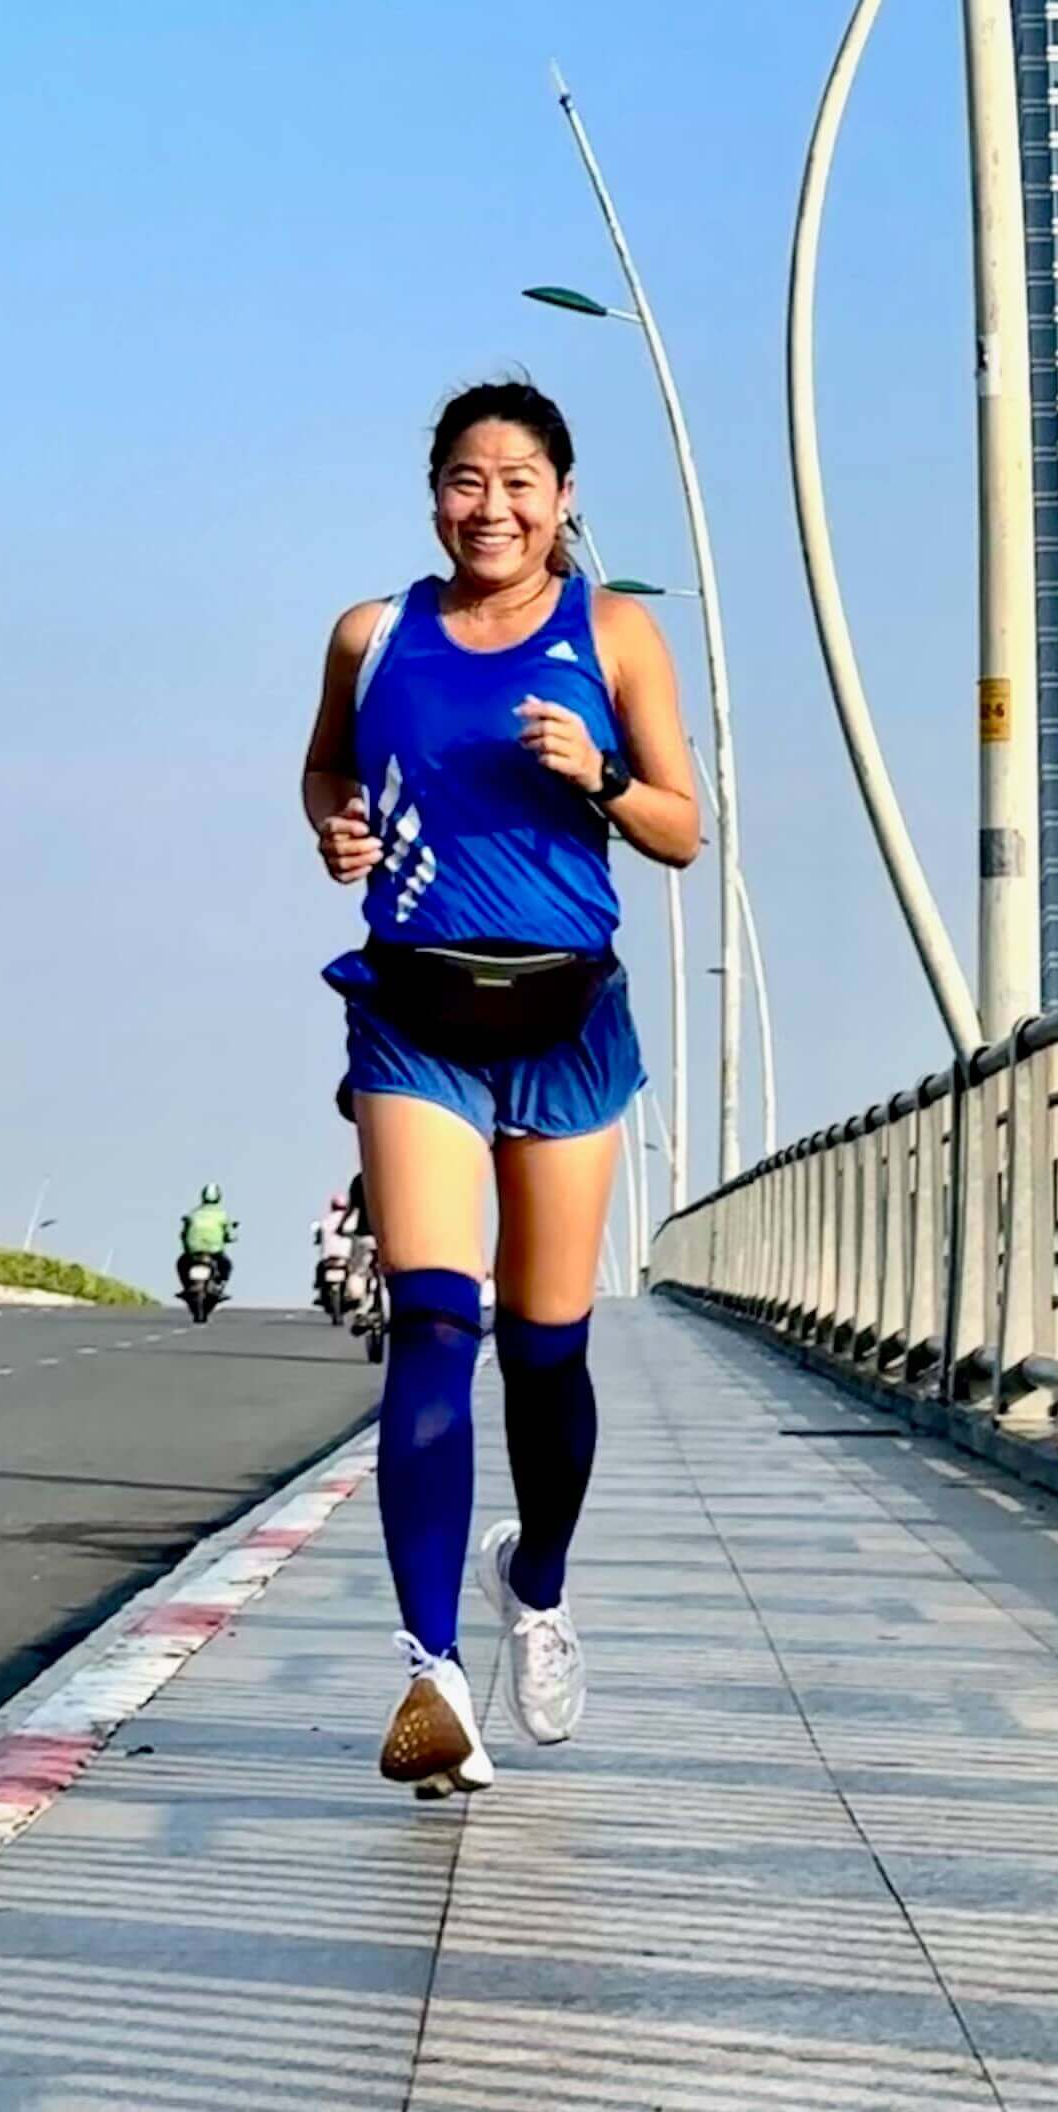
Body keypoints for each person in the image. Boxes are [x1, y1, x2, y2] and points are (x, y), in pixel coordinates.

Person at [303, 376, 700, 1795]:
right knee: (431, 1321)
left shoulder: (616, 631)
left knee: (546, 1348)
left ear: (564, 498)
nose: (494, 506)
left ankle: (532, 1582)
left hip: (565, 1015)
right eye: (469, 480)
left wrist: (596, 774)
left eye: (520, 482)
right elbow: (325, 778)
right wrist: (340, 834)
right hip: (414, 1004)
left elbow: (682, 829)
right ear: (435, 495)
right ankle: (430, 1675)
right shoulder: (373, 636)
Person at [178, 1183, 236, 1305]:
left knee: (181, 1263)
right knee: (227, 1265)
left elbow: (183, 1233)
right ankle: (219, 1286)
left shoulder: (193, 1213)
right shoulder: (222, 1215)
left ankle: (185, 1287)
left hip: (193, 1251)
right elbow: (230, 1235)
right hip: (214, 1251)